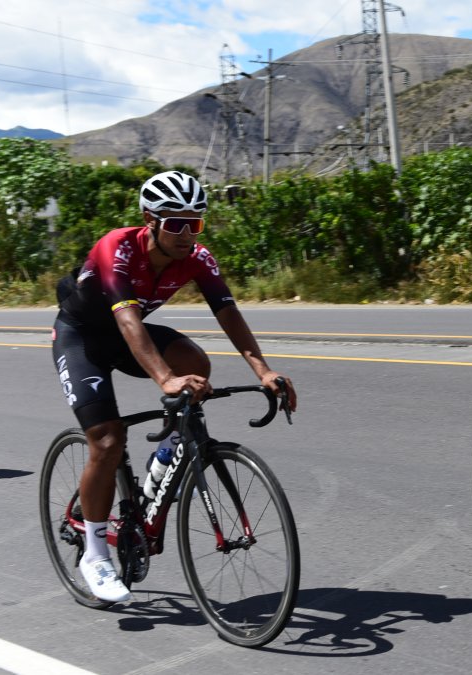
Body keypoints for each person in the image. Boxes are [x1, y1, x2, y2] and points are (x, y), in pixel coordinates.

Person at [51, 170, 297, 602]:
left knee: (196, 363)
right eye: (175, 223)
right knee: (108, 440)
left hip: (130, 336)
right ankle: (94, 552)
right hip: (83, 339)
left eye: (195, 223)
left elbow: (228, 313)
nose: (186, 233)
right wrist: (165, 379)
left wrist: (263, 371)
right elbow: (126, 319)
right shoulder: (118, 248)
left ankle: (170, 449)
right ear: (150, 219)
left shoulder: (198, 258)